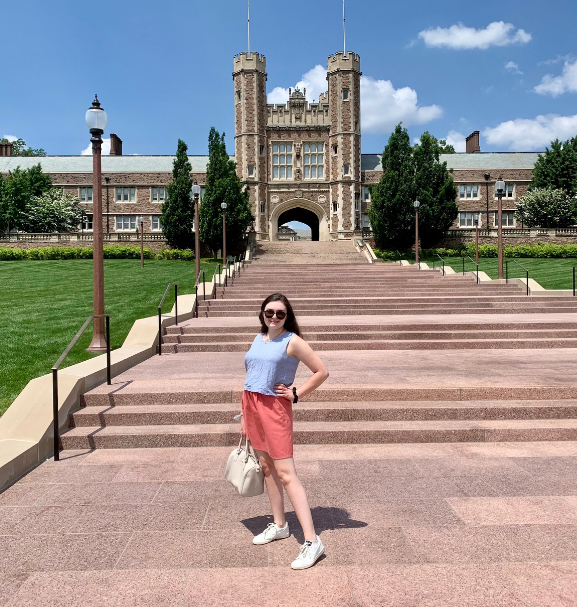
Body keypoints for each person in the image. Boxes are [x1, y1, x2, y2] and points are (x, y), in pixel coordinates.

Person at [240, 292, 329, 570]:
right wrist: (245, 417)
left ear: (287, 316)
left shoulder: (292, 341)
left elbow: (321, 371)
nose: (275, 317)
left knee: (287, 474)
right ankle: (280, 524)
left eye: (280, 313)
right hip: (252, 406)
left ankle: (313, 542)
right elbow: (251, 376)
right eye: (270, 313)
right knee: (267, 469)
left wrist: (296, 393)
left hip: (274, 409)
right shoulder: (259, 337)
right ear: (262, 314)